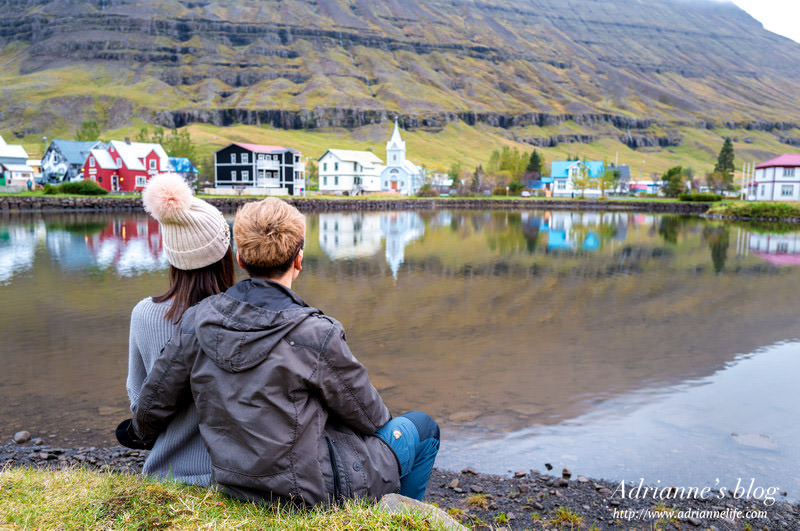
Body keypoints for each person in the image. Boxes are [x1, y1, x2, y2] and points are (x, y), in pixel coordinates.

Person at [124, 197, 439, 505]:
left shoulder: (196, 319)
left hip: (231, 480)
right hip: (307, 491)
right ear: (299, 259)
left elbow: (150, 408)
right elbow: (372, 418)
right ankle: (401, 513)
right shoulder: (317, 332)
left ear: (241, 260)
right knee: (423, 428)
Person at [123, 173, 234, 486]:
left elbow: (140, 402)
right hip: (236, 476)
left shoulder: (144, 315)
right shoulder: (245, 317)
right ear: (226, 255)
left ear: (172, 257)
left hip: (166, 474)